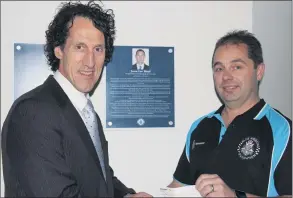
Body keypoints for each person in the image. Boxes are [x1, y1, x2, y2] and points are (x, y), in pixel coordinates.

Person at [1, 1, 151, 197]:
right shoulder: (32, 112)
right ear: (59, 50)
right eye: (80, 47)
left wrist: (127, 195)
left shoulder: (87, 112)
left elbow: (99, 178)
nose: (90, 62)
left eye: (98, 49)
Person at [167, 30, 292, 197]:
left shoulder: (283, 129)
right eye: (219, 68)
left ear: (259, 71)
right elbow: (179, 188)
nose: (226, 76)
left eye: (236, 67)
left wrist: (235, 196)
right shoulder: (200, 126)